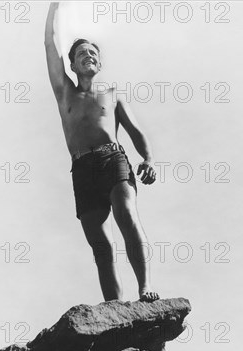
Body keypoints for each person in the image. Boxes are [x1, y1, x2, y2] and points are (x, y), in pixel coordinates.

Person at [44, 2, 159, 302]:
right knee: (101, 245)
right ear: (72, 65)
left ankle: (145, 287)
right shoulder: (65, 92)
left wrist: (148, 159)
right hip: (82, 168)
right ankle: (114, 307)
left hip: (112, 159)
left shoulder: (112, 95)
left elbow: (136, 132)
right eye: (82, 53)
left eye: (93, 53)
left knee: (126, 215)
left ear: (99, 63)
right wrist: (54, 6)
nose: (89, 55)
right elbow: (49, 42)